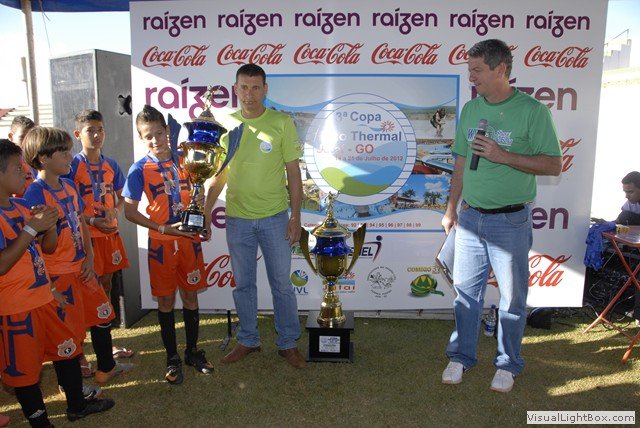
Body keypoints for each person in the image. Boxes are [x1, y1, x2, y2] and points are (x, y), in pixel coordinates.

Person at [440, 39, 562, 393]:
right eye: (470, 70)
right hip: (470, 219)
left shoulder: (532, 111)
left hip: (510, 221)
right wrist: (451, 209)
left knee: (512, 300)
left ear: (501, 69)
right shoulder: (471, 109)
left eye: (477, 70)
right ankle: (461, 356)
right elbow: (460, 162)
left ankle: (508, 364)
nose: (471, 76)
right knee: (465, 296)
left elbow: (554, 164)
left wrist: (502, 155)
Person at [0, 139, 115, 425]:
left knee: (67, 349)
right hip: (17, 307)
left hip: (45, 296)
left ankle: (76, 405)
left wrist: (49, 227)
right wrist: (32, 228)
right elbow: (2, 264)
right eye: (17, 168)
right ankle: (41, 422)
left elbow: (44, 249)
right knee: (26, 372)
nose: (25, 172)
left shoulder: (20, 206)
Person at [204, 63, 305, 369]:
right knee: (244, 284)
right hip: (237, 219)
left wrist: (295, 217)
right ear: (236, 89)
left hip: (275, 218)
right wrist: (206, 211)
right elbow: (219, 174)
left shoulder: (281, 122)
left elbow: (294, 173)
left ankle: (288, 343)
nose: (249, 94)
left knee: (282, 285)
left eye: (255, 87)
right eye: (244, 87)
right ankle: (248, 339)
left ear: (265, 89)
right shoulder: (226, 125)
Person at [22, 127, 133, 387]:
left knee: (103, 315)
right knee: (68, 331)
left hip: (83, 267)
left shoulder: (70, 186)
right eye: (62, 152)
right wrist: (50, 285)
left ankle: (106, 368)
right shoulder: (35, 194)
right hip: (59, 274)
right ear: (43, 159)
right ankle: (71, 387)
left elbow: (81, 221)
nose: (69, 156)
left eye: (68, 150)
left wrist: (89, 257)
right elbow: (39, 247)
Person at [122, 104, 213, 385]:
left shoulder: (186, 160)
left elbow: (197, 194)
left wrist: (201, 211)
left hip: (189, 241)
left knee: (191, 296)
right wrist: (161, 227)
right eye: (148, 136)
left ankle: (193, 352)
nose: (155, 140)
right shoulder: (139, 169)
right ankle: (172, 357)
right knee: (165, 301)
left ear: (167, 131)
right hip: (161, 244)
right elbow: (129, 212)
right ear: (141, 137)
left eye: (159, 133)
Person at [66, 109, 134, 361]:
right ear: (78, 134)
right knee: (85, 291)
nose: (97, 135)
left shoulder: (111, 164)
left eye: (100, 130)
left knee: (105, 287)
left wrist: (115, 212)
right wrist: (92, 220)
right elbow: (68, 208)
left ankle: (106, 344)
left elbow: (123, 197)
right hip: (86, 239)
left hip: (109, 236)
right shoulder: (72, 166)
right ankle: (79, 350)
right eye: (90, 131)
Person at [7, 116, 37, 196]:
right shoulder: (6, 162)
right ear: (11, 136)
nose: (26, 142)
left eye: (30, 138)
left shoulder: (36, 160)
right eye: (22, 137)